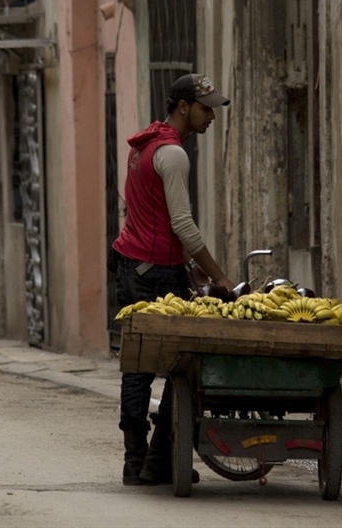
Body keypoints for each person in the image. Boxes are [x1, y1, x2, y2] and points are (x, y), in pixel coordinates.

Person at [111, 73, 234, 486]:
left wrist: (186, 263)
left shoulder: (144, 145)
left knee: (137, 366)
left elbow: (152, 213)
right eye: (205, 108)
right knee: (183, 364)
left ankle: (136, 462)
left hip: (131, 264)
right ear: (183, 107)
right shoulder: (173, 154)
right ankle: (161, 458)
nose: (211, 116)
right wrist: (218, 275)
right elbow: (183, 223)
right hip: (155, 271)